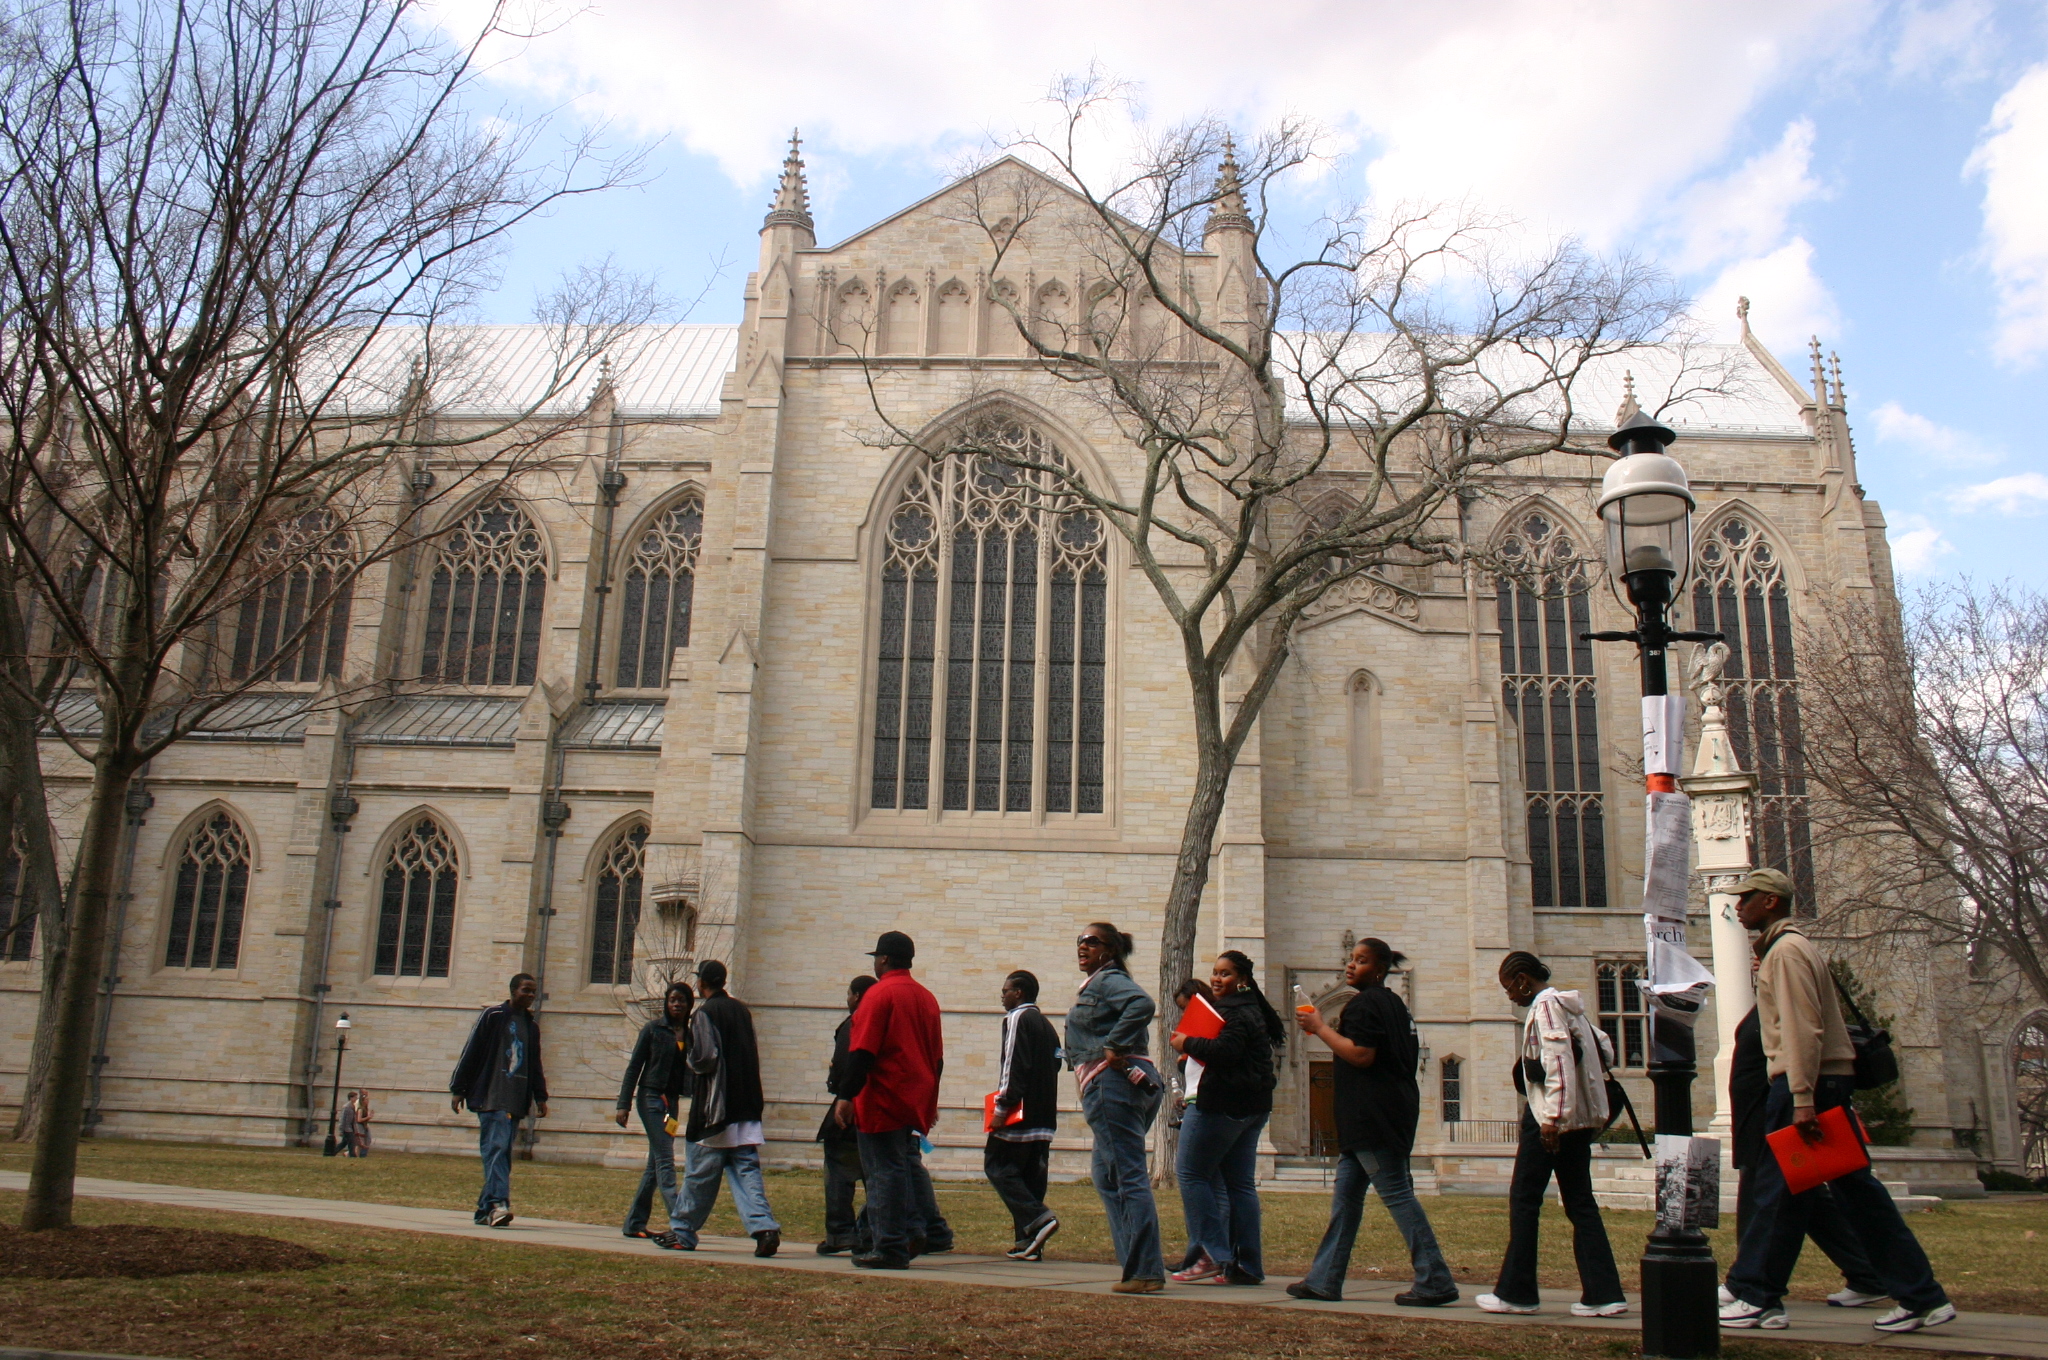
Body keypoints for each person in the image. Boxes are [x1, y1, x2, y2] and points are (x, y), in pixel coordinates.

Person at [1719, 869, 1955, 1334]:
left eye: (1747, 898)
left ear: (1771, 901)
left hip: (1806, 1087)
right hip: (1822, 1085)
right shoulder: (1787, 949)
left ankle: (1756, 1295)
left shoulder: (1786, 952)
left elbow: (1803, 1029)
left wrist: (1802, 1099)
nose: (1739, 906)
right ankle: (1921, 1295)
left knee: (1776, 1192)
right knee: (1856, 1196)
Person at [1288, 937, 1456, 1306]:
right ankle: (1323, 1280)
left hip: (1373, 1118)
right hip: (1385, 1114)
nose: (1351, 965)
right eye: (1351, 959)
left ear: (1379, 970)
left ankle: (1436, 1278)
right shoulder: (1394, 1005)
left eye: (1361, 961)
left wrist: (1318, 1026)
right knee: (1346, 1200)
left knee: (1397, 1194)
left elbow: (1361, 1055)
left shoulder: (1364, 1006)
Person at [1475, 951, 1627, 1317]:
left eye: (1509, 988)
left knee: (1524, 1200)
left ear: (1523, 980)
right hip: (1581, 1121)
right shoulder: (1572, 1007)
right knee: (1580, 1202)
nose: (1510, 996)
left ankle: (1518, 1292)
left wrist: (1552, 1119)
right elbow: (1604, 1047)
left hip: (1550, 1120)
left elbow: (1556, 1060)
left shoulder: (1544, 1008)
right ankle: (1604, 1294)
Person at [1720, 1002, 1890, 1311]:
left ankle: (1747, 1284)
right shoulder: (1770, 996)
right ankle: (1868, 1274)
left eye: (1761, 951)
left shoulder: (1787, 974)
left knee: (1765, 1196)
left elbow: (1802, 1044)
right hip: (1759, 1114)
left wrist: (1801, 1101)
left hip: (1772, 1114)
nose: (1757, 958)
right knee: (1805, 1198)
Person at [840, 930, 954, 1270]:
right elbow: (937, 1060)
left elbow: (862, 1052)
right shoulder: (926, 998)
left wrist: (846, 1096)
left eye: (876, 957)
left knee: (881, 1172)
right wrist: (929, 1104)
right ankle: (918, 1229)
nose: (874, 963)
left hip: (882, 1097)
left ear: (885, 959)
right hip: (914, 1098)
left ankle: (889, 1244)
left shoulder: (878, 995)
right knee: (902, 1166)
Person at [1168, 950, 1282, 1286]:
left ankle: (1214, 1254)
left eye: (1226, 974)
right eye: (1215, 973)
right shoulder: (1253, 1010)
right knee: (1240, 1185)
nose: (1218, 979)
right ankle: (1247, 1266)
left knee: (1190, 1174)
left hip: (1221, 1106)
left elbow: (1227, 1053)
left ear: (1242, 980)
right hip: (1253, 1108)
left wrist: (1187, 1042)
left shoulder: (1231, 1012)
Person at [1066, 920, 1167, 1294]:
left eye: (1092, 941)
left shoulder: (1108, 981)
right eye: (1080, 940)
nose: (1083, 946)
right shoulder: (1097, 983)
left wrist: (1112, 1045)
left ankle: (1145, 1271)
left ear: (1109, 950)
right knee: (1108, 1177)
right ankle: (1136, 1265)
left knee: (1126, 1175)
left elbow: (1142, 1004)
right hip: (1119, 1084)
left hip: (1115, 1083)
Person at [673, 958, 782, 1257]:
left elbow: (705, 1059)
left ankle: (682, 1230)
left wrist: (686, 1050)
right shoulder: (742, 1010)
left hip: (715, 1109)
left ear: (702, 983)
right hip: (746, 1105)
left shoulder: (705, 1014)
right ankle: (764, 1228)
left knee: (700, 1173)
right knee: (746, 1170)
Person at [449, 972, 549, 1228]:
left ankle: (484, 1210)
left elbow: (535, 1063)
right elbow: (472, 1050)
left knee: (502, 1152)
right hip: (492, 1096)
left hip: (516, 1098)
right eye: (525, 990)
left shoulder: (531, 1026)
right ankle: (498, 1204)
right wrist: (458, 1088)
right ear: (513, 990)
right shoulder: (493, 1017)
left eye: (533, 992)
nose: (530, 995)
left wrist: (540, 1096)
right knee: (496, 1149)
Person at [988, 969, 1061, 1261]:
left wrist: (1002, 1107)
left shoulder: (1018, 1018)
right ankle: (1028, 1243)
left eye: (1005, 990)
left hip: (1020, 1115)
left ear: (1019, 993)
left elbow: (1013, 1065)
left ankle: (1039, 1219)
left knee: (997, 1166)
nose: (1002, 995)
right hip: (1045, 1118)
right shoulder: (1047, 1025)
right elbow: (1056, 1064)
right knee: (1031, 1179)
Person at [615, 982, 695, 1243]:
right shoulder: (652, 1030)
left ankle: (634, 1223)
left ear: (688, 1004)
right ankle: (681, 1222)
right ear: (666, 1002)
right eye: (672, 999)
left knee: (654, 1165)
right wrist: (623, 1104)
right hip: (651, 1098)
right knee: (665, 1158)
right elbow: (634, 1067)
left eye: (681, 1000)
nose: (676, 1004)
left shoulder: (690, 1034)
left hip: (671, 1103)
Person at [817, 974, 877, 1255]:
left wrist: (843, 1093)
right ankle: (871, 1231)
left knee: (839, 1172)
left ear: (857, 996)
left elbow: (845, 1064)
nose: (848, 999)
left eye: (850, 994)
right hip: (878, 1110)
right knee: (876, 1175)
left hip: (851, 1110)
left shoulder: (856, 1025)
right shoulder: (883, 1022)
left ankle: (842, 1233)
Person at [338, 1091, 362, 1158]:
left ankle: (333, 1152)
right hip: (347, 1128)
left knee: (344, 1143)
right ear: (351, 1098)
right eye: (355, 1097)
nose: (356, 1099)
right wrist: (341, 1130)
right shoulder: (346, 1107)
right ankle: (352, 1156)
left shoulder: (353, 1106)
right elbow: (343, 1119)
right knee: (352, 1143)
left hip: (350, 1128)